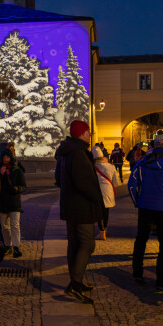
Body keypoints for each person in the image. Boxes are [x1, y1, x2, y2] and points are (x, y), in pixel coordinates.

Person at [128, 131, 163, 291]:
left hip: (145, 206)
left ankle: (137, 272)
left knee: (141, 239)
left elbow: (131, 185)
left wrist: (137, 201)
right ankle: (161, 279)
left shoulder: (142, 162)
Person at [56, 120, 103, 303]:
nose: (90, 135)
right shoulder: (79, 153)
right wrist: (97, 199)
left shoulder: (67, 153)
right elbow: (85, 183)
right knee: (87, 244)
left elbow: (58, 179)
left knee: (75, 244)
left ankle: (76, 280)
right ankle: (75, 283)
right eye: (88, 132)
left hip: (70, 206)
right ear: (82, 133)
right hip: (82, 207)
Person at [0, 149, 26, 257]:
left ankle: (16, 247)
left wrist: (17, 188)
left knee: (15, 225)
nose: (5, 159)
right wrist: (1, 174)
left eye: (7, 157)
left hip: (14, 202)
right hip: (2, 202)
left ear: (11, 158)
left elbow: (24, 186)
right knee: (4, 226)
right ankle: (8, 245)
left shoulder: (17, 170)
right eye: (4, 157)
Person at [92, 145, 123, 241]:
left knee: (99, 212)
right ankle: (104, 230)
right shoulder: (110, 166)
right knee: (106, 212)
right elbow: (116, 182)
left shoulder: (92, 167)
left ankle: (101, 232)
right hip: (108, 191)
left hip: (97, 191)